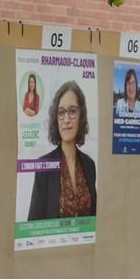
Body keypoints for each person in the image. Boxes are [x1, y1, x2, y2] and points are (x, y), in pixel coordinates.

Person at [28, 81, 96, 221]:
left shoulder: (89, 165)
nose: (66, 120)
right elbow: (33, 225)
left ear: (80, 116)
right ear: (56, 119)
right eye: (61, 112)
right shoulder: (44, 165)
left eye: (72, 111)